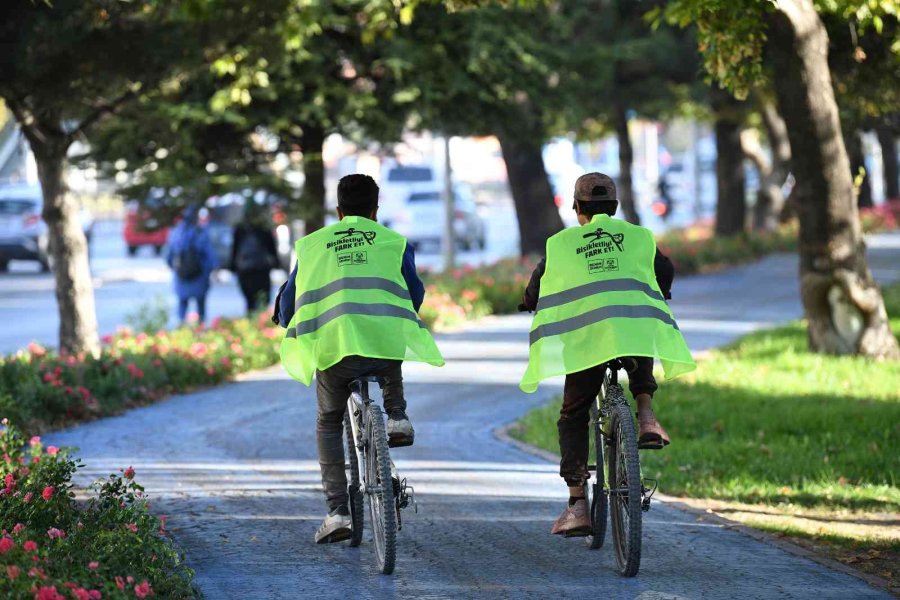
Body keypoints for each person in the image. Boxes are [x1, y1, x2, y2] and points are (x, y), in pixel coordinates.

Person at [519, 173, 695, 537]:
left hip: (586, 341)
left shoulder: (562, 244)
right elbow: (664, 271)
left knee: (573, 415)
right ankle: (645, 415)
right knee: (636, 321)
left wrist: (529, 301)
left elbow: (537, 286)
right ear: (614, 208)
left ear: (577, 208)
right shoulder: (638, 237)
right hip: (632, 334)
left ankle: (577, 503)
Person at [273, 174, 444, 544]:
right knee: (388, 343)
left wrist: (286, 320)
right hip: (383, 349)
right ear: (375, 210)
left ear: (338, 211)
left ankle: (337, 512)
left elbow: (289, 302)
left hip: (336, 354)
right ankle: (397, 417)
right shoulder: (394, 243)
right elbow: (413, 294)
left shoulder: (313, 245)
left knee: (328, 422)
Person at [166, 205, 218, 325]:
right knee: (200, 304)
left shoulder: (176, 232)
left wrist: (172, 266)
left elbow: (169, 254)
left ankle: (182, 326)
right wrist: (213, 268)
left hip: (181, 274)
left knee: (182, 303)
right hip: (200, 274)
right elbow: (209, 254)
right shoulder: (201, 232)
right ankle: (200, 326)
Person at [231, 201, 278, 315]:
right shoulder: (264, 227)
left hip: (245, 269)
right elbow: (271, 248)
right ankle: (262, 324)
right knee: (263, 300)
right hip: (262, 268)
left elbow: (234, 248)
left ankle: (251, 323)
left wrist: (232, 266)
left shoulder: (240, 228)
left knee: (249, 302)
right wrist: (276, 263)